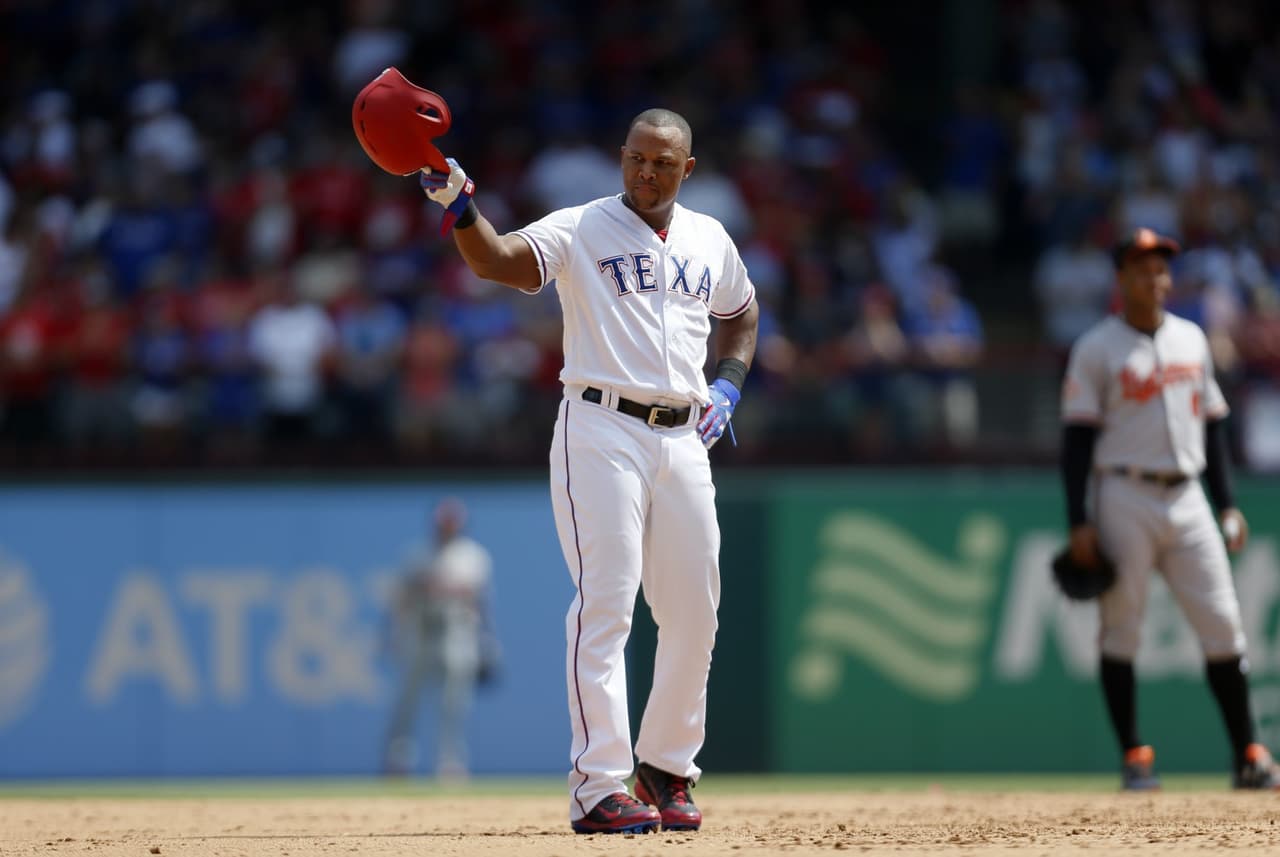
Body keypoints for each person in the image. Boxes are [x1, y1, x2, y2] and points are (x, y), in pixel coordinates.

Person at [419, 108, 759, 834]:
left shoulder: (710, 237)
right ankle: (598, 783)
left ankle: (665, 768)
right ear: (622, 156)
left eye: (662, 162)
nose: (645, 171)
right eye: (636, 157)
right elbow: (499, 261)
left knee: (695, 612)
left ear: (686, 170)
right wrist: (464, 208)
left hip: (684, 435)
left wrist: (728, 382)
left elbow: (743, 312)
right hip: (600, 424)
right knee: (606, 602)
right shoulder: (582, 224)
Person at [1059, 227, 1280, 791]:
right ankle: (1135, 755)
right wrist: (1078, 520)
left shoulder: (1192, 339)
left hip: (1188, 496)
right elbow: (1077, 441)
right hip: (1123, 494)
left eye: (1161, 268)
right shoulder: (1096, 348)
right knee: (1121, 629)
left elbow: (1214, 426)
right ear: (1121, 279)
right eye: (1141, 268)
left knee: (1224, 625)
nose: (1154, 278)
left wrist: (1227, 505)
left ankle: (1249, 754)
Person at [382, 497, 497, 780]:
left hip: (458, 633)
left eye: (452, 522)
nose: (447, 527)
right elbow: (400, 600)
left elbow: (482, 602)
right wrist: (392, 633)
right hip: (420, 632)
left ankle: (450, 763)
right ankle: (398, 761)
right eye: (443, 522)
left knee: (453, 705)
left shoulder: (473, 556)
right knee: (407, 703)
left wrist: (488, 641)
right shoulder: (418, 554)